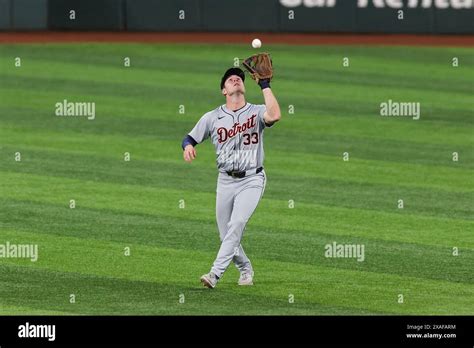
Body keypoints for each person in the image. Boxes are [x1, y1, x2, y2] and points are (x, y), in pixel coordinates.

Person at [181, 67, 281, 288]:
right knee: (226, 234)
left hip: (252, 179)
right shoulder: (213, 117)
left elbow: (274, 115)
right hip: (225, 180)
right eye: (230, 79)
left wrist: (265, 85)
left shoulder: (256, 111)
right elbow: (189, 138)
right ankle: (245, 269)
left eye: (239, 78)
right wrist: (187, 147)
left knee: (236, 224)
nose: (235, 80)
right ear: (223, 91)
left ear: (244, 87)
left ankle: (214, 274)